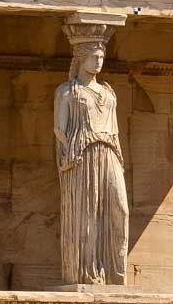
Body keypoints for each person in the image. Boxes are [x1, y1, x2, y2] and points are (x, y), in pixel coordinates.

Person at [54, 37, 129, 285]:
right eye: (94, 57)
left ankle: (115, 273)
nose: (99, 61)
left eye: (101, 57)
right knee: (87, 215)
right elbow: (59, 130)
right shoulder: (67, 91)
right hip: (82, 155)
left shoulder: (108, 92)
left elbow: (115, 129)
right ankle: (87, 274)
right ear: (81, 58)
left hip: (109, 152)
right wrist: (68, 155)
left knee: (120, 208)